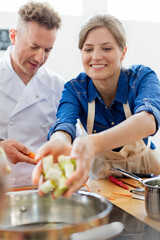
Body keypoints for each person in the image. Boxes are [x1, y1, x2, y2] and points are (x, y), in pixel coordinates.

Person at [32, 14, 160, 197]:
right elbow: (65, 123)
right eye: (88, 49)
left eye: (106, 48)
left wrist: (92, 144)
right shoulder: (75, 88)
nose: (96, 57)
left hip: (146, 176)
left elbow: (148, 122)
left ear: (123, 52)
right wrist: (59, 142)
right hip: (102, 178)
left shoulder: (142, 78)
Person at [0, 1, 65, 187]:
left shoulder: (58, 85)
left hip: (40, 191)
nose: (39, 58)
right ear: (13, 36)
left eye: (47, 50)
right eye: (33, 46)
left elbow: (71, 139)